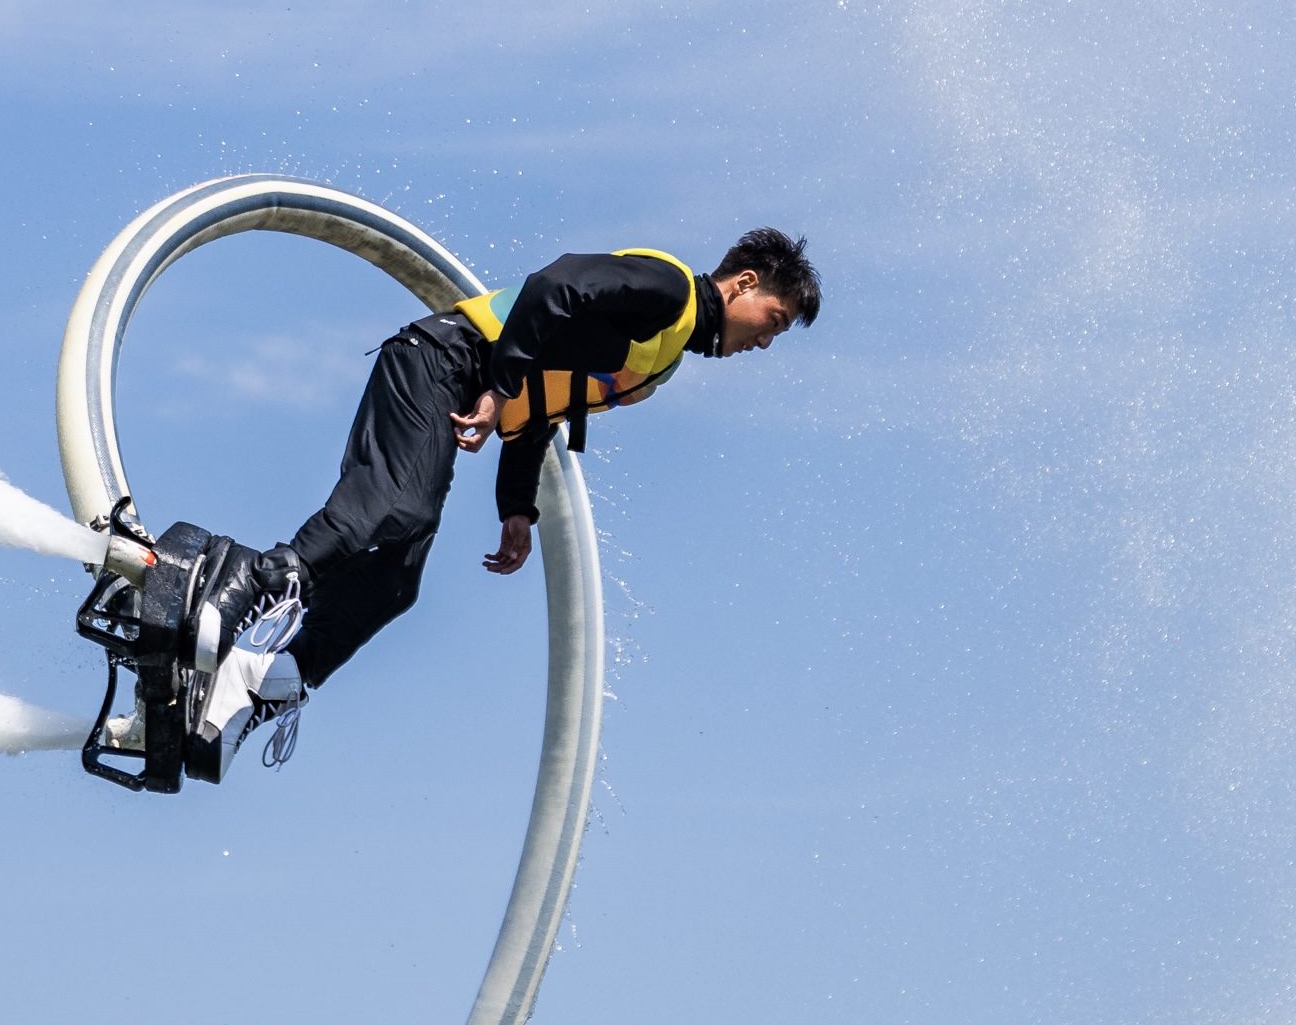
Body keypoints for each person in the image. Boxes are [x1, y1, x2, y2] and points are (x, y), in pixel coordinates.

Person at [169, 229, 821, 770]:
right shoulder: (670, 291)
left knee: (395, 583)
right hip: (439, 360)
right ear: (742, 284)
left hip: (459, 385)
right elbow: (556, 284)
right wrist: (497, 381)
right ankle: (238, 590)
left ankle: (263, 685)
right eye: (772, 321)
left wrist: (517, 509)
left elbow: (542, 409)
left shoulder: (661, 362)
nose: (764, 341)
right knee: (391, 510)